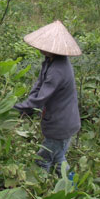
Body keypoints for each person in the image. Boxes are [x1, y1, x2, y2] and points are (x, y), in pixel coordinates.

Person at [13, 20, 81, 176]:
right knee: (58, 157)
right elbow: (39, 85)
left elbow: (41, 98)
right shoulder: (51, 62)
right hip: (62, 121)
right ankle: (71, 187)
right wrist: (27, 103)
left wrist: (17, 109)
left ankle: (42, 189)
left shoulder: (58, 69)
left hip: (61, 124)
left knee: (42, 159)